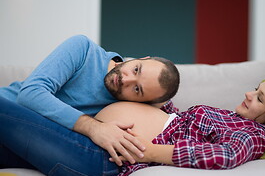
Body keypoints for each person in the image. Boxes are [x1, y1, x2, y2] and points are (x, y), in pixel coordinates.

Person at [0, 74, 265, 176]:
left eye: (261, 98)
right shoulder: (230, 115)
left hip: (105, 156)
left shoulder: (255, 134)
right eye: (256, 88)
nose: (250, 94)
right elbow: (175, 123)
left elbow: (223, 155)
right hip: (97, 139)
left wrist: (141, 150)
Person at [0, 35, 180, 165]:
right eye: (136, 70)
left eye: (137, 89)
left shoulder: (120, 108)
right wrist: (94, 127)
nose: (125, 80)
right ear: (141, 58)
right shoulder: (83, 49)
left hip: (27, 144)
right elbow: (30, 93)